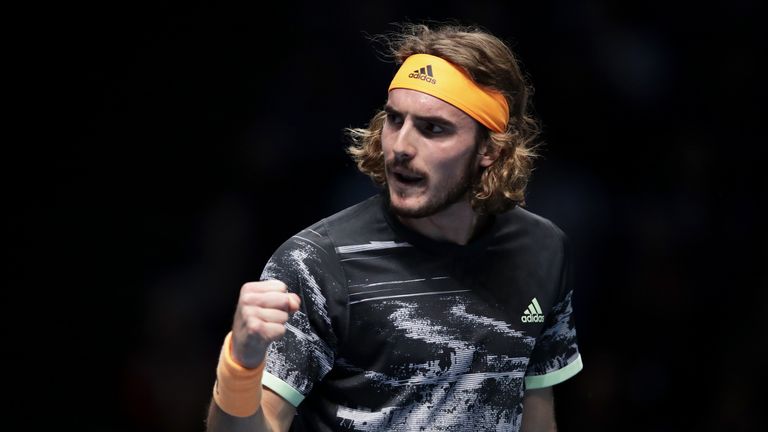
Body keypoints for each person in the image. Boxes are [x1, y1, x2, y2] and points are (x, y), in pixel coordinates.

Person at [206, 21, 583, 432]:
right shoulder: (316, 264)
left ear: (489, 149)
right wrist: (240, 365)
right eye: (394, 119)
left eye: (432, 128)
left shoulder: (543, 249)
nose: (401, 146)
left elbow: (534, 407)